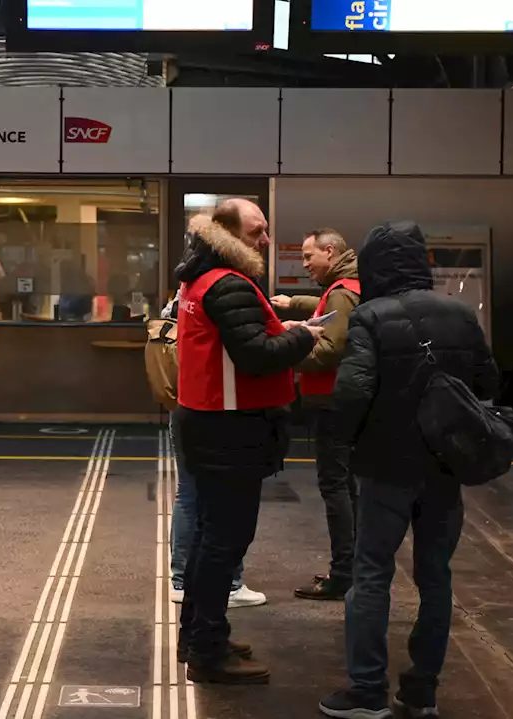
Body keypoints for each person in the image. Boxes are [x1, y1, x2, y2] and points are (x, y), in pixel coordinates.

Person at [316, 222, 498, 719]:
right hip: (445, 468)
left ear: (377, 266)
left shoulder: (371, 317)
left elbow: (351, 393)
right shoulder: (462, 316)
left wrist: (348, 444)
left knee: (371, 573)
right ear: (422, 264)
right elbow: (488, 383)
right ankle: (422, 693)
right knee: (435, 576)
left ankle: (367, 690)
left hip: (386, 467)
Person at [174, 200, 322, 684]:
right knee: (224, 541)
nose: (264, 241)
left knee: (210, 538)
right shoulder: (229, 284)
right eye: (257, 232)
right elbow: (257, 356)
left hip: (206, 421)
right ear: (227, 235)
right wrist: (303, 336)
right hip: (230, 429)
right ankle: (208, 651)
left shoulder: (199, 279)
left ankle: (199, 634)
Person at [160, 290, 266, 610]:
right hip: (214, 406)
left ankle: (180, 578)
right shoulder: (221, 295)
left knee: (188, 493)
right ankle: (229, 583)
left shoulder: (183, 297)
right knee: (224, 499)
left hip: (185, 402)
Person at [272, 229, 362, 601]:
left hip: (331, 400)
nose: (305, 263)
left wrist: (284, 355)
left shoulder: (343, 289)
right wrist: (294, 304)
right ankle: (353, 567)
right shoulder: (350, 284)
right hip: (343, 400)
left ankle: (344, 572)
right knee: (345, 485)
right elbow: (327, 308)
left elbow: (329, 349)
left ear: (330, 251)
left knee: (335, 485)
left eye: (309, 256)